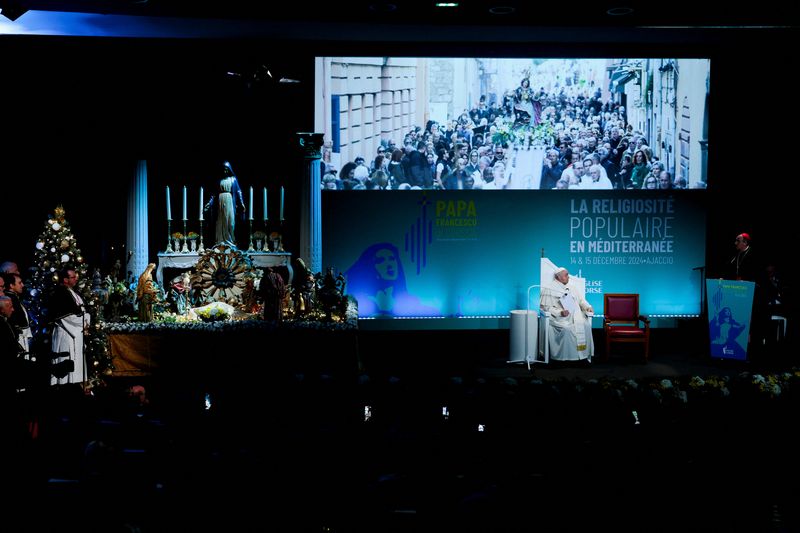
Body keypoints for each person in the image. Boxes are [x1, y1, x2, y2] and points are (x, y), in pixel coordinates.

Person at [345, 242, 438, 317]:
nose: (389, 264)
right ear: (369, 266)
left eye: (392, 259)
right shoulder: (359, 304)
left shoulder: (412, 303)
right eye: (381, 260)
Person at [48, 267, 92, 387]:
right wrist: (85, 320)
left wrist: (85, 318)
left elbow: (81, 312)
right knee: (66, 367)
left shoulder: (72, 292)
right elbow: (67, 318)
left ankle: (74, 386)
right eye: (73, 277)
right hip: (66, 333)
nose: (76, 279)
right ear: (65, 279)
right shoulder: (60, 293)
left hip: (76, 331)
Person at [540, 266, 595, 361]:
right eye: (566, 275)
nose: (568, 277)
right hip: (560, 319)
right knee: (567, 329)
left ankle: (582, 356)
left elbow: (581, 301)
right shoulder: (549, 289)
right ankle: (566, 358)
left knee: (585, 325)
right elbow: (545, 307)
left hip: (576, 317)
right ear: (558, 277)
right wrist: (560, 312)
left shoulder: (572, 288)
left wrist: (588, 307)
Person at [204, 160, 246, 247]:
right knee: (221, 221)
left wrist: (241, 203)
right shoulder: (219, 180)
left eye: (227, 169)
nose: (225, 171)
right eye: (224, 169)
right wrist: (209, 203)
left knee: (230, 221)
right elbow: (214, 194)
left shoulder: (233, 179)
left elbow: (238, 191)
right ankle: (220, 240)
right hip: (220, 201)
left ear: (229, 170)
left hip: (229, 200)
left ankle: (231, 240)